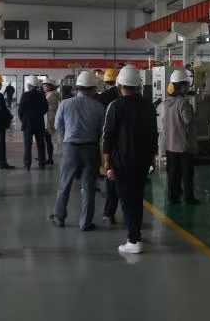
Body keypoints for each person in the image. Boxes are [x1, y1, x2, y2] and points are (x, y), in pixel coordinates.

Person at [102, 65, 158, 254]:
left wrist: (107, 162)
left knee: (127, 200)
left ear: (120, 86)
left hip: (122, 162)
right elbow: (154, 135)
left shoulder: (115, 106)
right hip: (142, 161)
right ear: (139, 86)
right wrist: (152, 158)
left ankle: (133, 240)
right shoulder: (148, 106)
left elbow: (108, 137)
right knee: (137, 198)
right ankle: (136, 233)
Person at [50, 71, 106, 231]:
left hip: (71, 148)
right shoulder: (99, 107)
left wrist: (68, 134)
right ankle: (85, 223)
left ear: (77, 88)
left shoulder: (65, 104)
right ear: (93, 89)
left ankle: (59, 217)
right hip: (91, 149)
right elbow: (102, 131)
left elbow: (57, 126)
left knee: (64, 184)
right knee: (88, 187)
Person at [162, 69, 198, 205]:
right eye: (187, 85)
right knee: (187, 174)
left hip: (170, 144)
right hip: (183, 145)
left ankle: (173, 196)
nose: (188, 88)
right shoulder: (183, 102)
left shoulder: (167, 102)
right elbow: (187, 120)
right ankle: (189, 198)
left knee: (173, 173)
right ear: (182, 87)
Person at [97, 68, 120, 224]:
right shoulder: (140, 102)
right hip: (130, 146)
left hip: (109, 142)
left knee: (111, 177)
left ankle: (109, 212)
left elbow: (102, 124)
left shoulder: (103, 98)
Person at [18, 75, 49, 170]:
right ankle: (42, 163)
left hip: (28, 124)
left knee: (27, 145)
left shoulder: (25, 95)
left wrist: (23, 119)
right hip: (39, 123)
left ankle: (27, 165)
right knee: (40, 144)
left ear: (29, 85)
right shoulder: (42, 95)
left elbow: (20, 110)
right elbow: (46, 108)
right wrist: (39, 115)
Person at [42, 78, 60, 165]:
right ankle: (46, 157)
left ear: (51, 87)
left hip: (49, 119)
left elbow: (43, 104)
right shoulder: (50, 94)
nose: (44, 88)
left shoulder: (51, 95)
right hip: (48, 118)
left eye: (46, 86)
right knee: (47, 140)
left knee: (48, 140)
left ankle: (49, 159)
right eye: (43, 86)